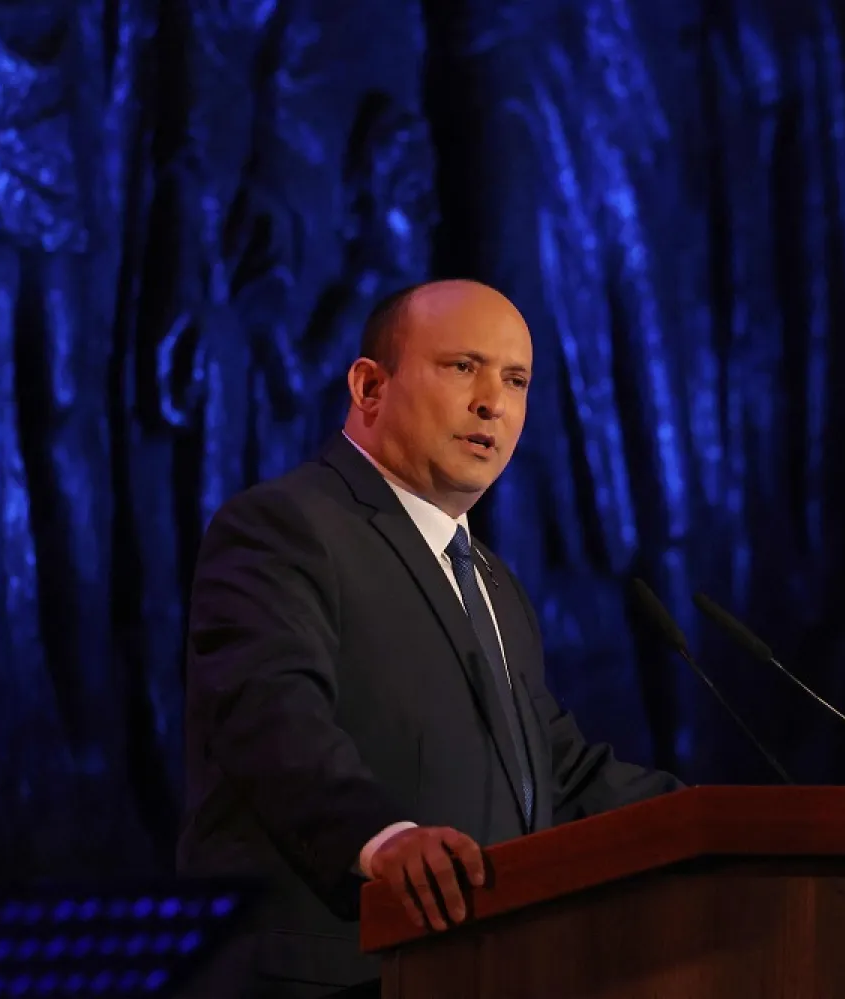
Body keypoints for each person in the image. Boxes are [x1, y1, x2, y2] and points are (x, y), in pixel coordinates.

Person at [176, 279, 683, 997]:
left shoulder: (494, 582)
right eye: (463, 367)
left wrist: (727, 824)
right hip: (327, 976)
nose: (492, 402)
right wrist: (384, 841)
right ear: (369, 386)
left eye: (516, 380)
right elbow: (270, 719)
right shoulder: (284, 528)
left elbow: (559, 773)